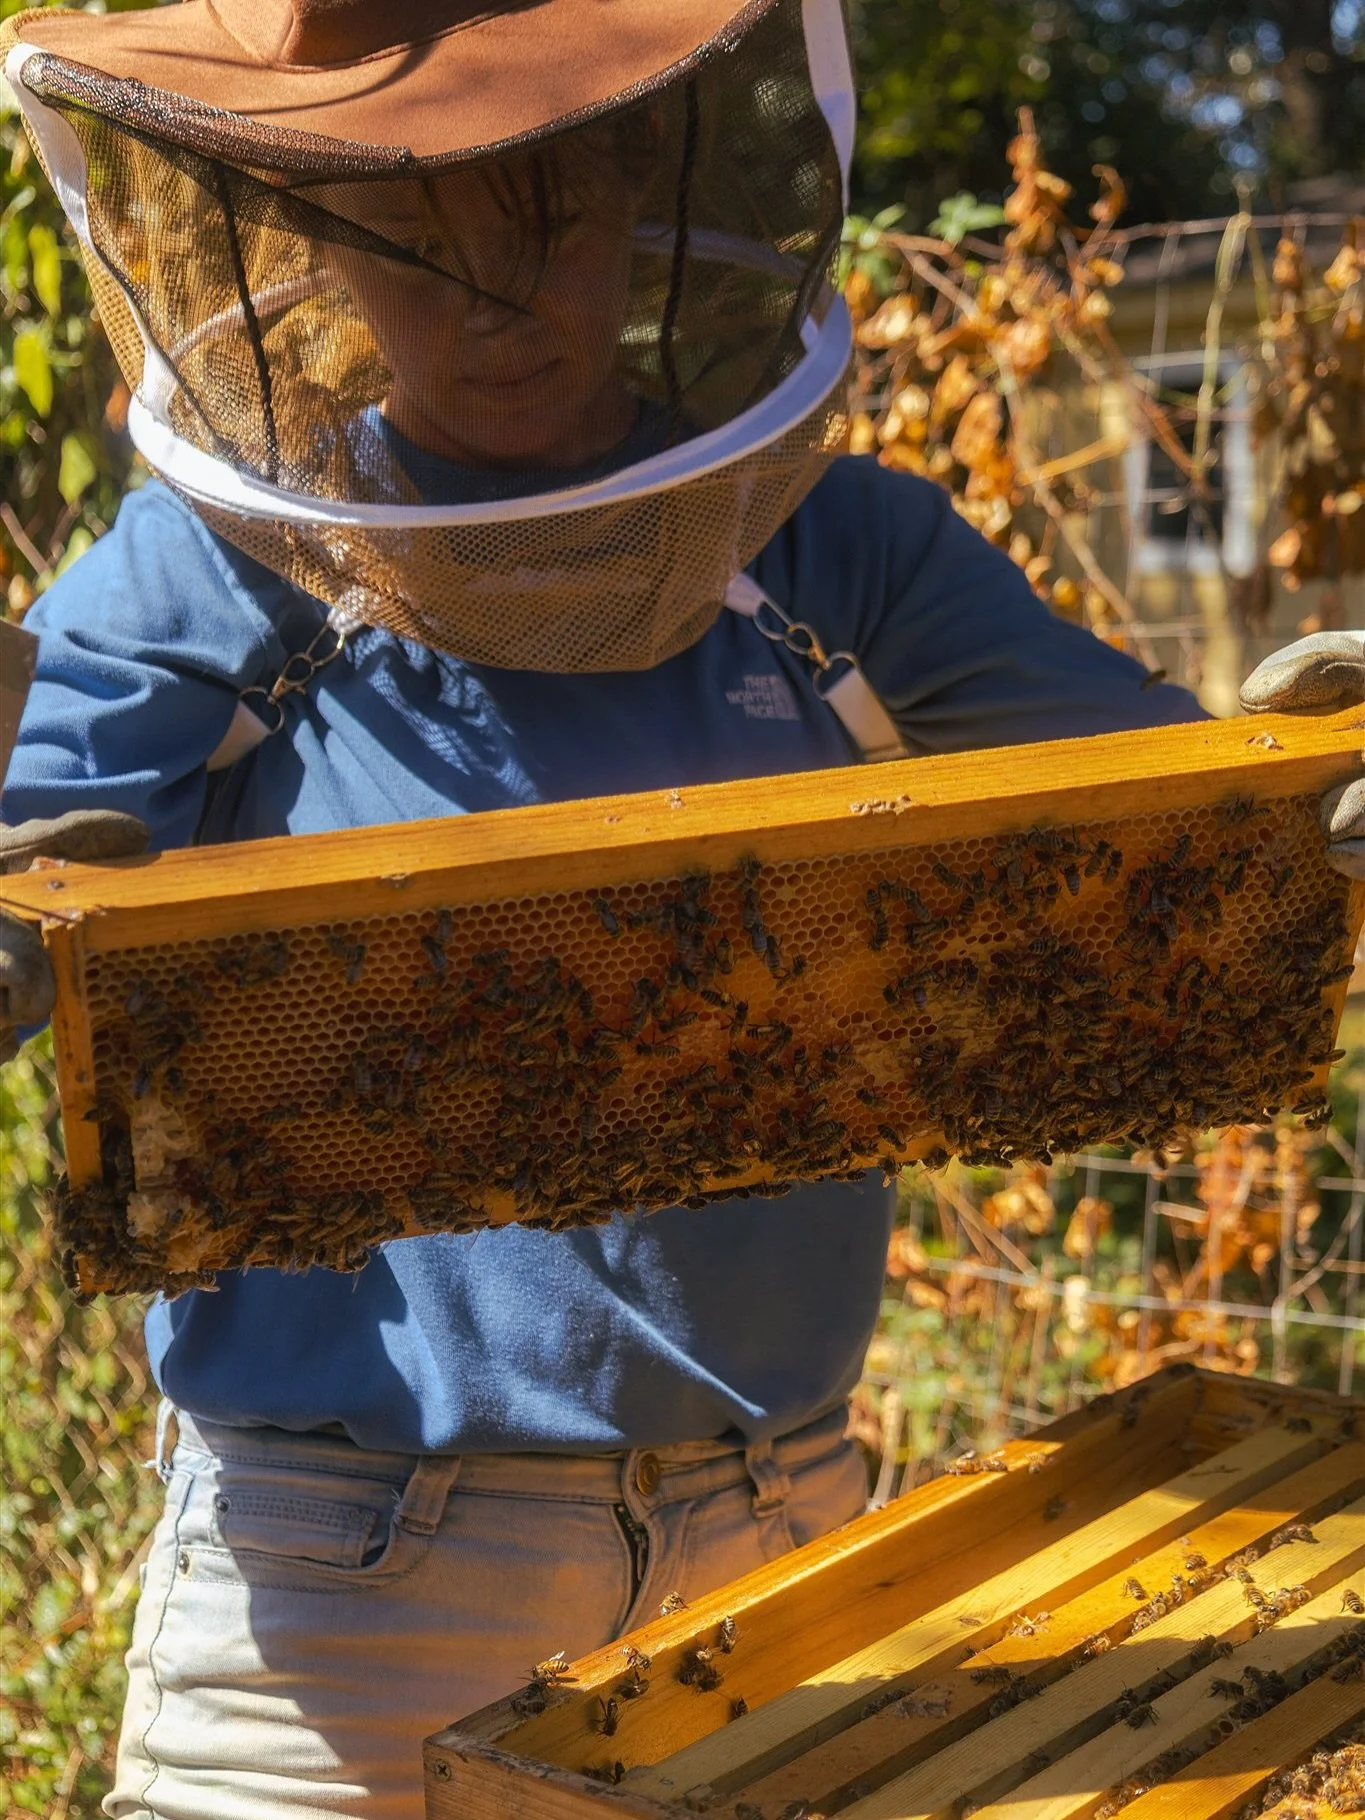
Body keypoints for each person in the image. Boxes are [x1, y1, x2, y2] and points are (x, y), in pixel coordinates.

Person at [0, 4, 1348, 1817]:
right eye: (416, 243)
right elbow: (27, 894)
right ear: (308, 245)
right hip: (345, 1579)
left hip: (780, 1533)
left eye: (544, 217)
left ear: (651, 185)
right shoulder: (218, 576)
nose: (492, 298)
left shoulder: (833, 563)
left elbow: (1179, 818)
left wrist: (1302, 787)